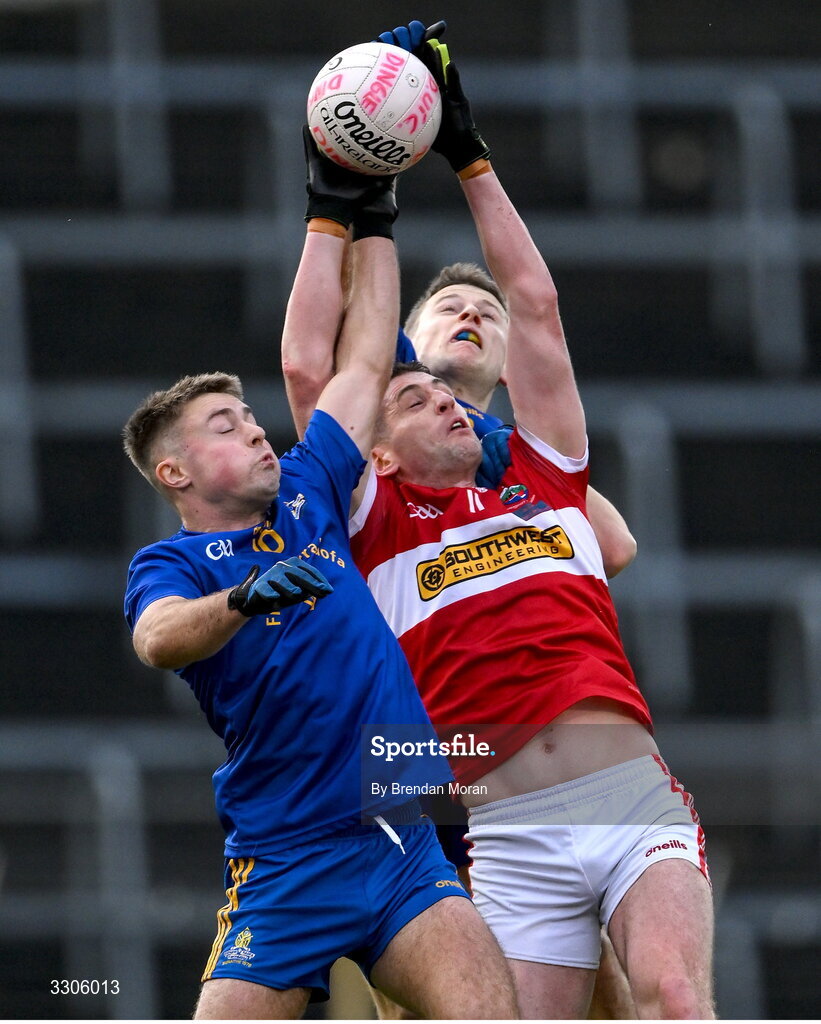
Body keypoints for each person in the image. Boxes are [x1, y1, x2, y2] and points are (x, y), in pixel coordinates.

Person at [344, 28, 715, 1021]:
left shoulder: (534, 464)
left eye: (485, 310)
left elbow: (616, 543)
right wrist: (352, 198)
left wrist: (466, 152)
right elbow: (332, 370)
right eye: (447, 306)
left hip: (600, 777)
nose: (470, 315)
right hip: (464, 799)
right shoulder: (365, 482)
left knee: (660, 995)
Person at [122, 152, 518, 1020]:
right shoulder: (172, 567)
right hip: (285, 862)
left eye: (253, 419)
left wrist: (364, 208)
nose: (260, 436)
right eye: (227, 429)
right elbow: (156, 640)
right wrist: (244, 599)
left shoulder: (310, 488)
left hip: (398, 840)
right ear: (176, 472)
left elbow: (368, 348)